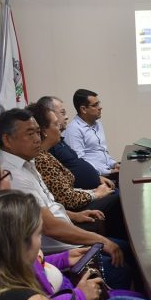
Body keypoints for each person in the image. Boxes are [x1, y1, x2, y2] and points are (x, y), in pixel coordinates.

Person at [0, 108, 149, 297]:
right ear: (7, 140)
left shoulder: (27, 162)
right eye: (30, 133)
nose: (37, 138)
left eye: (37, 131)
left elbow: (47, 205)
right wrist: (102, 241)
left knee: (130, 249)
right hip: (56, 252)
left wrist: (74, 215)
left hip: (66, 239)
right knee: (121, 266)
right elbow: (49, 226)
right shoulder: (12, 176)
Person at [0, 153, 113, 300]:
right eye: (4, 174)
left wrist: (64, 258)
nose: (9, 178)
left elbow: (30, 266)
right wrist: (79, 296)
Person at [25, 102, 126, 240]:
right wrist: (95, 194)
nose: (60, 128)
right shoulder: (40, 159)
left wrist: (93, 191)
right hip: (73, 210)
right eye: (55, 124)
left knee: (116, 194)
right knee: (117, 197)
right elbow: (66, 198)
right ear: (44, 131)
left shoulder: (47, 154)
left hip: (73, 208)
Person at [37, 95, 104, 190]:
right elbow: (63, 189)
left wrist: (97, 177)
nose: (67, 117)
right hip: (86, 193)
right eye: (62, 113)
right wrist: (95, 194)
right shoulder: (47, 149)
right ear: (49, 115)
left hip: (94, 188)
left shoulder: (59, 141)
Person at [64, 88, 120, 175]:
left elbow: (102, 152)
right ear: (83, 109)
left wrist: (114, 164)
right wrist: (108, 172)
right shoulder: (74, 130)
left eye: (99, 103)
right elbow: (80, 163)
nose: (100, 107)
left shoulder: (98, 124)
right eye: (95, 105)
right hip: (95, 176)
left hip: (108, 170)